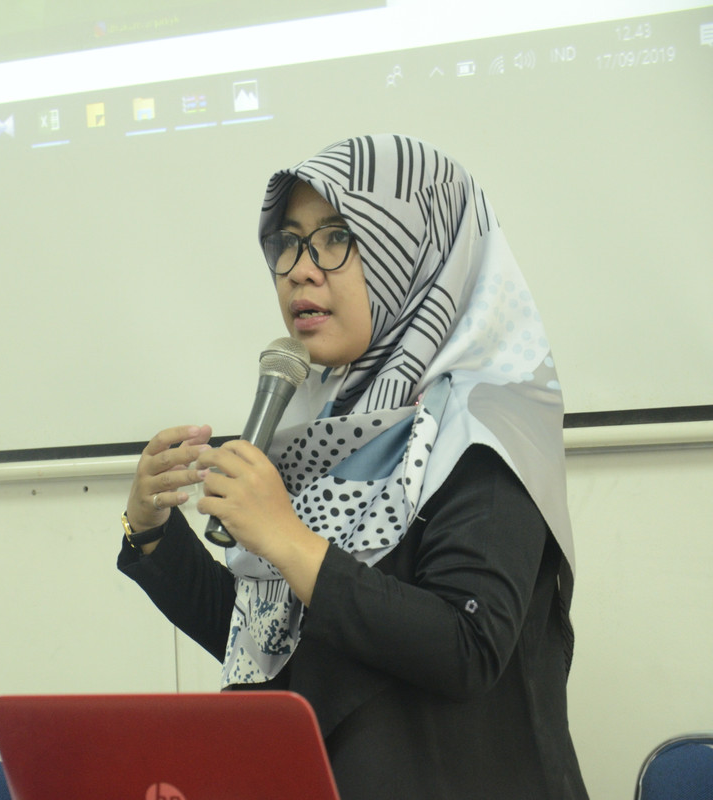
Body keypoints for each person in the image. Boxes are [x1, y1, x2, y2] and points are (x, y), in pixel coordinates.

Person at [117, 134, 588, 799]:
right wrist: (151, 531)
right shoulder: (327, 428)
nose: (300, 271)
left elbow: (467, 646)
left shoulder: (486, 427)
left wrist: (286, 538)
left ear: (416, 251)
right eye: (288, 243)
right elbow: (275, 642)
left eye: (337, 238)